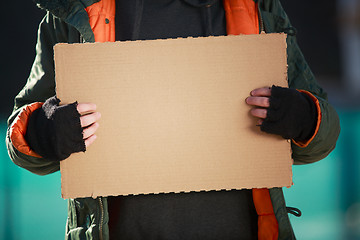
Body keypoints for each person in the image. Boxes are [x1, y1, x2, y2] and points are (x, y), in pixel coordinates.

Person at [6, 0, 340, 239]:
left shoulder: (258, 7)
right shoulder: (75, 9)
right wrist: (42, 130)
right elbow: (19, 136)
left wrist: (303, 116)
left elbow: (323, 134)